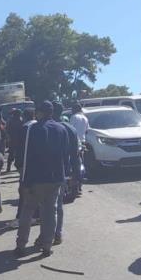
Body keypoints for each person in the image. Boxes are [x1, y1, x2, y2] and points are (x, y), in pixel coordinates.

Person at [15, 101, 70, 258]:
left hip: (35, 178)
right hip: (55, 178)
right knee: (49, 212)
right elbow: (65, 155)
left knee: (27, 211)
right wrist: (64, 176)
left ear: (39, 112)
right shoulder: (61, 129)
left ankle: (21, 245)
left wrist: (24, 181)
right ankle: (47, 246)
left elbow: (27, 157)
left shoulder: (34, 128)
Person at [51, 102, 82, 245]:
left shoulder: (46, 128)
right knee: (59, 204)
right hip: (65, 171)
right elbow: (75, 155)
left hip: (48, 173)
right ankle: (57, 233)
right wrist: (76, 175)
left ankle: (47, 235)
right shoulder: (71, 129)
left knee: (46, 206)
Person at [69, 104, 90, 194]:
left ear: (74, 109)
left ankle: (74, 185)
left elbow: (70, 129)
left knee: (74, 165)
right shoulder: (85, 118)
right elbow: (87, 130)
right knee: (81, 163)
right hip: (83, 143)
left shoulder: (74, 117)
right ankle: (79, 185)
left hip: (75, 143)